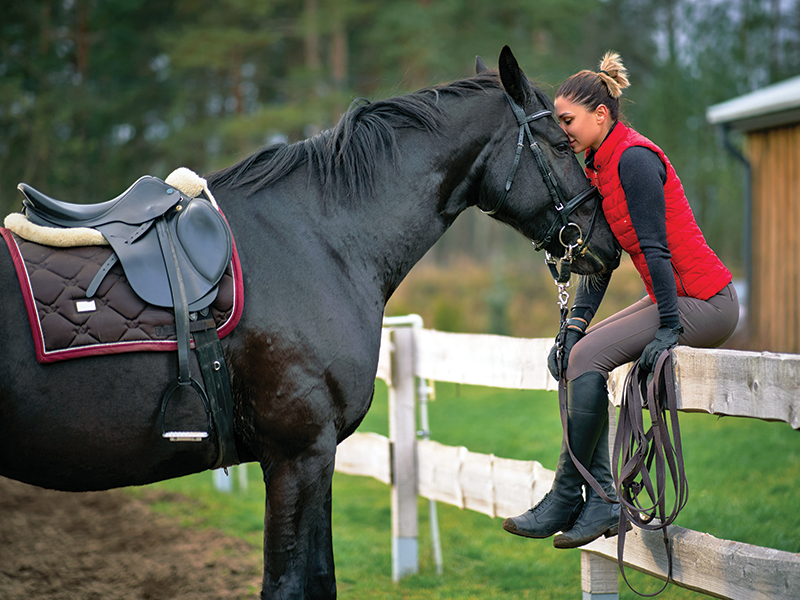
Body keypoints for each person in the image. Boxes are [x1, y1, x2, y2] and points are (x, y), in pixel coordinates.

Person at [502, 52, 739, 549]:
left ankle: (580, 496)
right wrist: (574, 324)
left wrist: (669, 329)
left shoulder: (632, 159)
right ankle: (592, 496)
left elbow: (654, 249)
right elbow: (602, 261)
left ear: (601, 115)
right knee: (576, 354)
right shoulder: (600, 166)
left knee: (587, 359)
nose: (563, 130)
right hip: (676, 296)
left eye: (568, 120)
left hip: (706, 301)